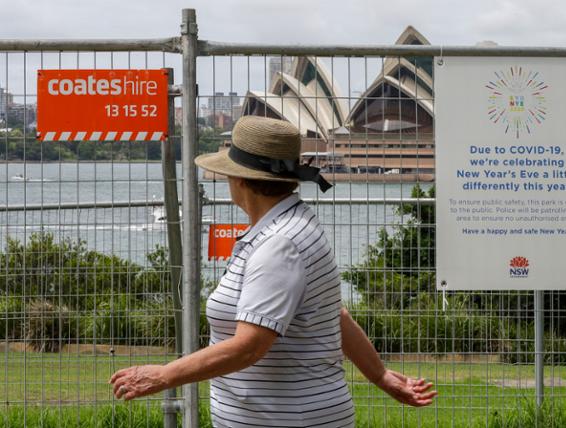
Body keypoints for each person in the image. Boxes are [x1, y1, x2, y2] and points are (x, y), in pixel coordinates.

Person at [110, 116, 437, 427]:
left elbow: (248, 347)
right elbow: (333, 313)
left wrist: (164, 375)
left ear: (240, 180)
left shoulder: (279, 245)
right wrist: (379, 375)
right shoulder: (292, 225)